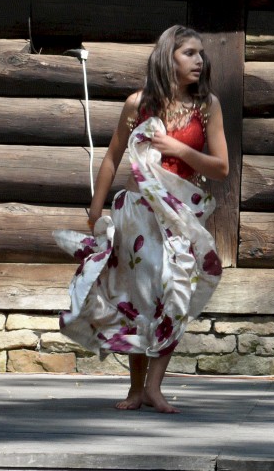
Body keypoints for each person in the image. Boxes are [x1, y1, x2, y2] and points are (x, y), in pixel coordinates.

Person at [53, 25, 229, 414]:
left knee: (176, 291)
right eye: (189, 53)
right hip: (137, 213)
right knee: (139, 296)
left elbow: (220, 167)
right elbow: (114, 156)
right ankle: (137, 388)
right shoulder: (138, 104)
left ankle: (154, 386)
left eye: (201, 53)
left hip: (180, 214)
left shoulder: (208, 106)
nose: (199, 60)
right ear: (168, 57)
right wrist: (96, 210)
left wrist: (178, 148)